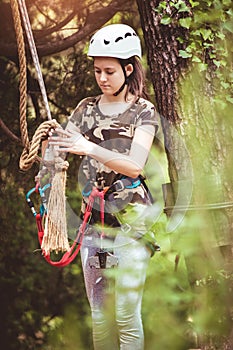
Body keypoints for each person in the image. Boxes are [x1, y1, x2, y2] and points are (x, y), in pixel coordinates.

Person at [49, 23, 160, 350]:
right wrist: (51, 144)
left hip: (131, 225)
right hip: (94, 225)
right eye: (97, 70)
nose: (102, 77)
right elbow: (64, 144)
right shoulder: (85, 109)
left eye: (109, 71)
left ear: (128, 68)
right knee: (100, 319)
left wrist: (90, 148)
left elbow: (135, 165)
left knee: (125, 315)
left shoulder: (144, 112)